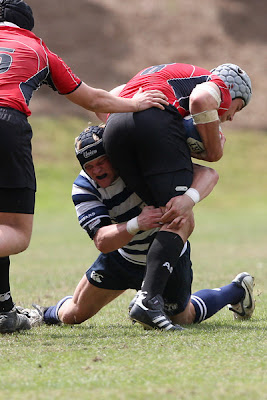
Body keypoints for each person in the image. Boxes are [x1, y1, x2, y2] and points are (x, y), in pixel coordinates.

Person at [0, 0, 169, 334]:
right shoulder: (37, 50)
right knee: (15, 232)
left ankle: (3, 310)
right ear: (27, 27)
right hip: (6, 124)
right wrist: (137, 103)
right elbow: (93, 100)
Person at [26, 125, 255, 331]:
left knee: (182, 317)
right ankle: (41, 313)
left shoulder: (143, 165)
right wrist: (138, 223)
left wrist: (188, 199)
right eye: (90, 166)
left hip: (167, 258)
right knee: (72, 314)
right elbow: (102, 241)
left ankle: (236, 291)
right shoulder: (84, 187)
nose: (97, 170)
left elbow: (208, 174)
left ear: (113, 156)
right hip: (124, 256)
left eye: (101, 161)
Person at [102, 62, 252, 329]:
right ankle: (148, 300)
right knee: (180, 216)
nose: (231, 117)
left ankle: (158, 295)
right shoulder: (216, 83)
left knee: (164, 213)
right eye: (237, 109)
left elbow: (110, 98)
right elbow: (202, 98)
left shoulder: (167, 76)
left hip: (116, 126)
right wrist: (213, 149)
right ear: (233, 93)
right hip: (155, 124)